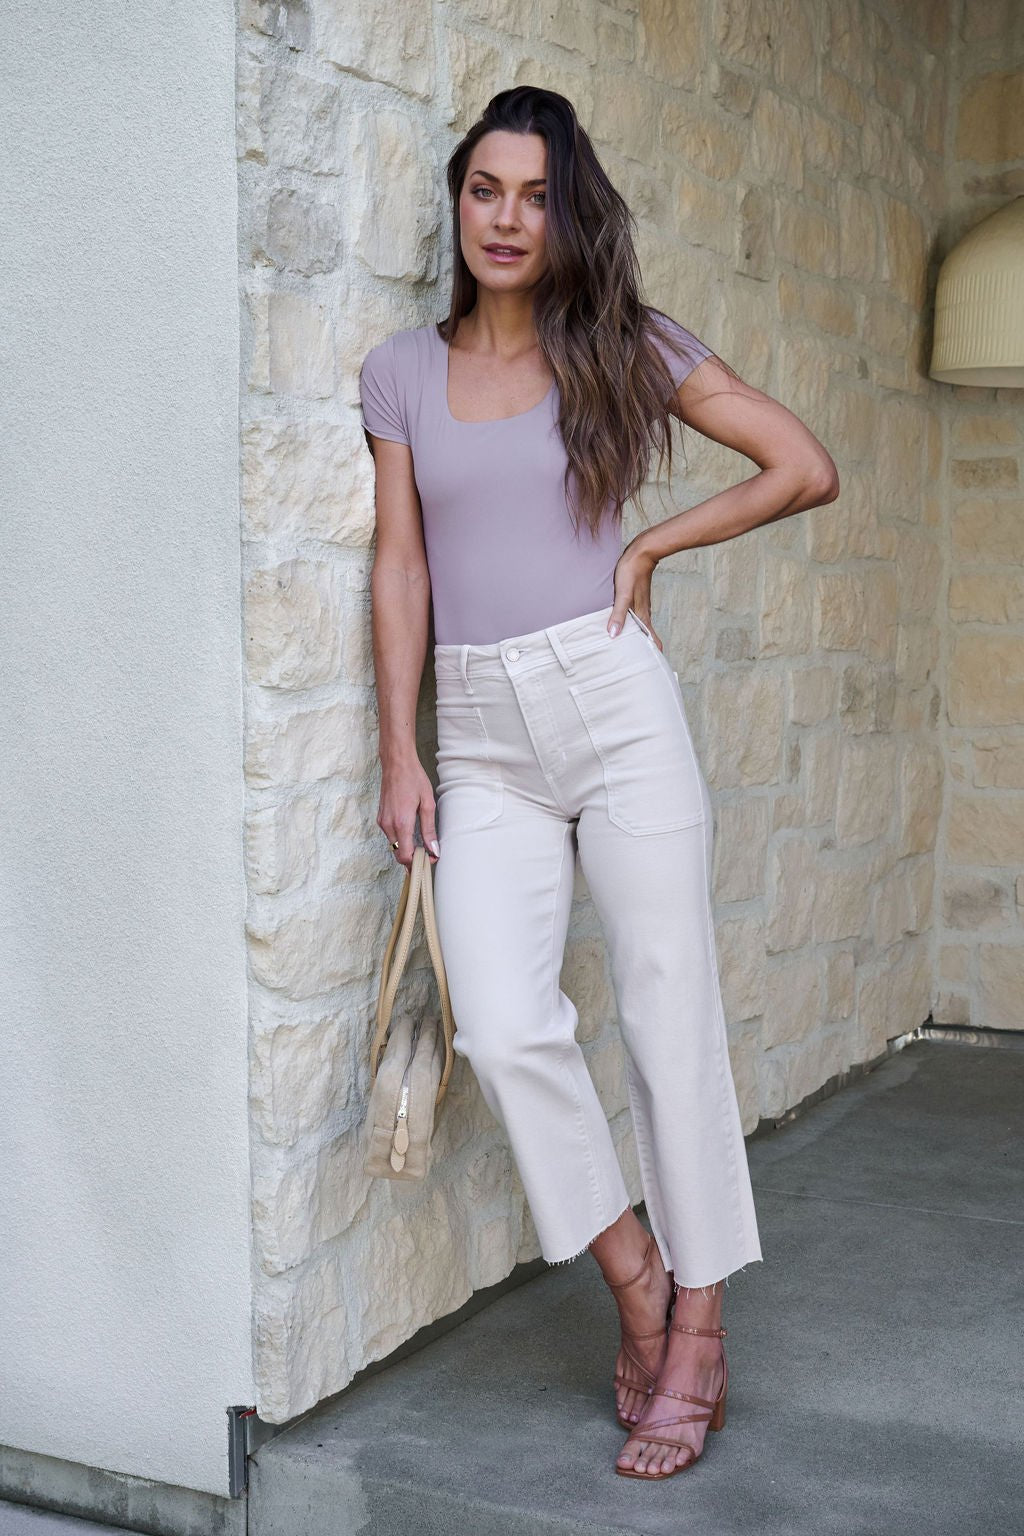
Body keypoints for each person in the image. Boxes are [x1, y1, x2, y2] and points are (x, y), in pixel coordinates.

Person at [358, 86, 839, 1482]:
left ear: (571, 216)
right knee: (505, 1029)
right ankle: (638, 1278)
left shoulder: (621, 344)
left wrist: (651, 551)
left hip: (613, 702)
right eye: (486, 191)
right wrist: (404, 747)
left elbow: (801, 465)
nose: (509, 219)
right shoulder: (400, 371)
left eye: (536, 195)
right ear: (459, 206)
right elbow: (403, 568)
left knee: (668, 1008)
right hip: (483, 736)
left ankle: (702, 1324)